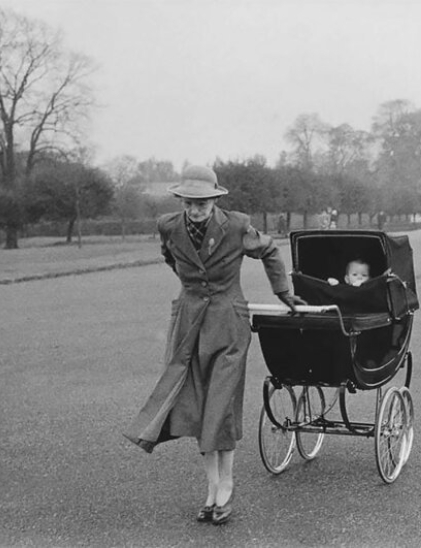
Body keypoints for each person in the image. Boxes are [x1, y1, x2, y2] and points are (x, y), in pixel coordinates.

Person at [123, 165, 305, 525]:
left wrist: (284, 293)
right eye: (189, 203)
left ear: (214, 199)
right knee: (197, 406)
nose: (195, 209)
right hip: (189, 325)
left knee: (220, 405)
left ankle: (227, 485)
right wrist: (190, 288)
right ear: (181, 201)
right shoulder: (169, 226)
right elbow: (169, 256)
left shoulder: (236, 225)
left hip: (228, 325)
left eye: (202, 203)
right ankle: (211, 489)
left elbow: (269, 251)